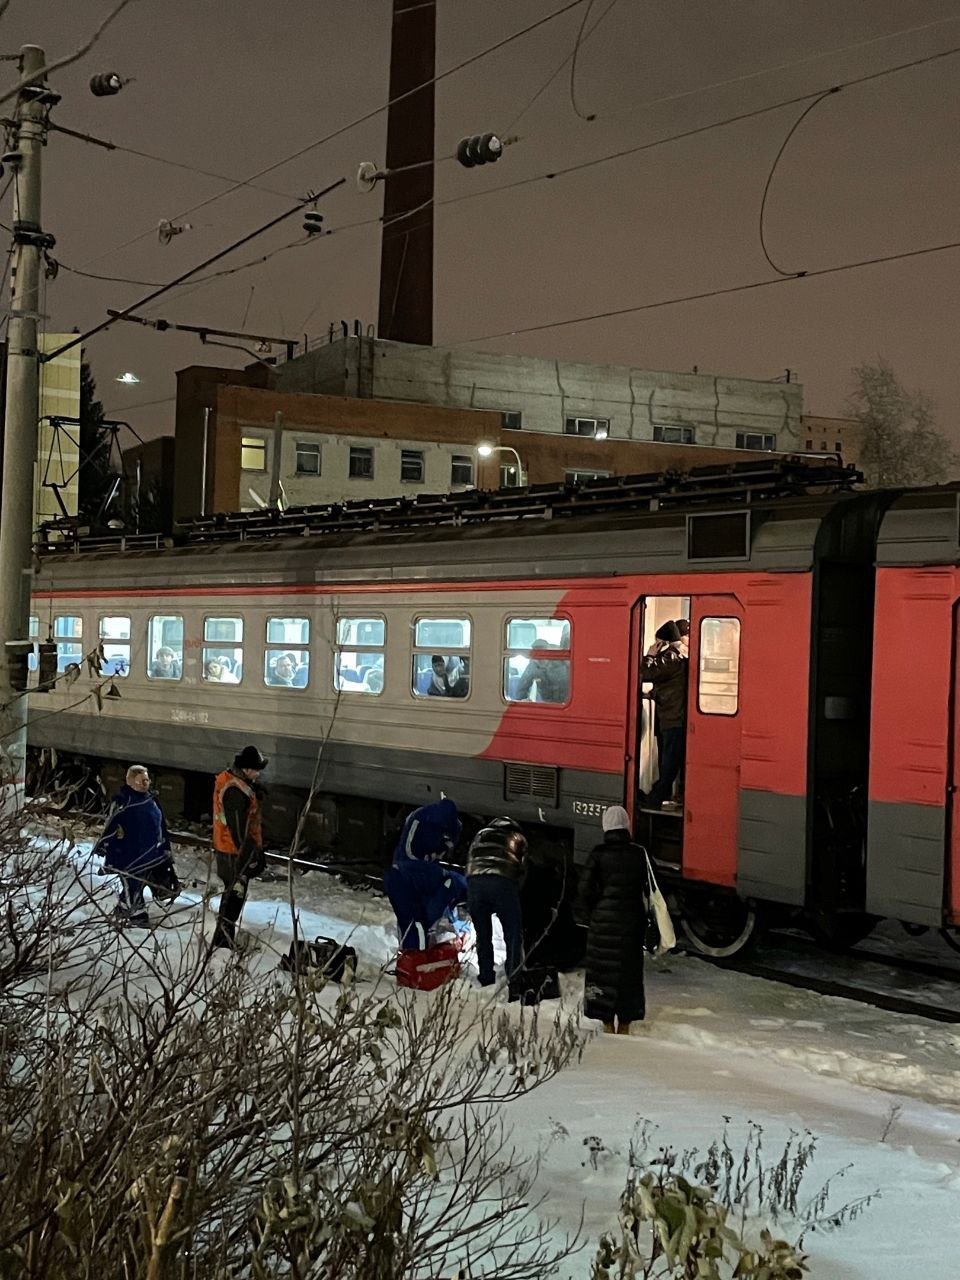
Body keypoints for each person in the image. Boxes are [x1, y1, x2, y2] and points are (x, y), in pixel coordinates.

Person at [576, 805, 649, 1034]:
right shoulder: (639, 854)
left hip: (603, 925)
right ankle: (625, 1024)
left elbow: (584, 890)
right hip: (631, 924)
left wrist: (593, 914)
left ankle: (607, 1024)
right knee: (629, 974)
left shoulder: (598, 854)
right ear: (626, 826)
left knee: (603, 973)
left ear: (606, 826)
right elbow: (651, 889)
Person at [94, 765, 180, 928]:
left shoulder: (151, 800)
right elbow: (111, 825)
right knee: (132, 882)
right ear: (130, 781)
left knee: (138, 883)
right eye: (142, 780)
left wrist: (164, 848)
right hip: (127, 853)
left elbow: (161, 826)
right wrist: (104, 845)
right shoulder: (123, 801)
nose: (145, 783)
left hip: (149, 852)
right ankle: (137, 914)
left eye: (147, 780)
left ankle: (123, 908)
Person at [384, 797, 466, 950]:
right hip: (407, 875)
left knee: (414, 922)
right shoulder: (419, 821)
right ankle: (415, 957)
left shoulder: (444, 878)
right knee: (417, 923)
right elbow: (443, 897)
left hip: (410, 876)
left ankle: (411, 954)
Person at [211, 745, 268, 949]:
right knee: (234, 897)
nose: (259, 773)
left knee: (233, 896)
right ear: (245, 769)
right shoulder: (234, 791)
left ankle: (223, 939)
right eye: (256, 769)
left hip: (229, 849)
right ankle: (222, 942)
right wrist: (250, 855)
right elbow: (238, 829)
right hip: (232, 853)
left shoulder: (235, 782)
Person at [466, 817, 527, 992]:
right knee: (512, 934)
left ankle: (485, 976)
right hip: (502, 884)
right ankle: (514, 980)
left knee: (483, 934)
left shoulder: (480, 835)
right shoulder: (518, 838)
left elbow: (469, 863)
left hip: (475, 883)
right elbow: (523, 871)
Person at [639, 621, 689, 809]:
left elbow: (645, 673)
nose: (655, 645)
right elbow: (670, 686)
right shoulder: (677, 657)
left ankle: (656, 798)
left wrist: (650, 655)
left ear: (664, 642)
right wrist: (650, 695)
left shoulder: (671, 658)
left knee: (669, 762)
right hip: (672, 714)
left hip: (673, 717)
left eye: (657, 642)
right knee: (669, 760)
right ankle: (662, 794)